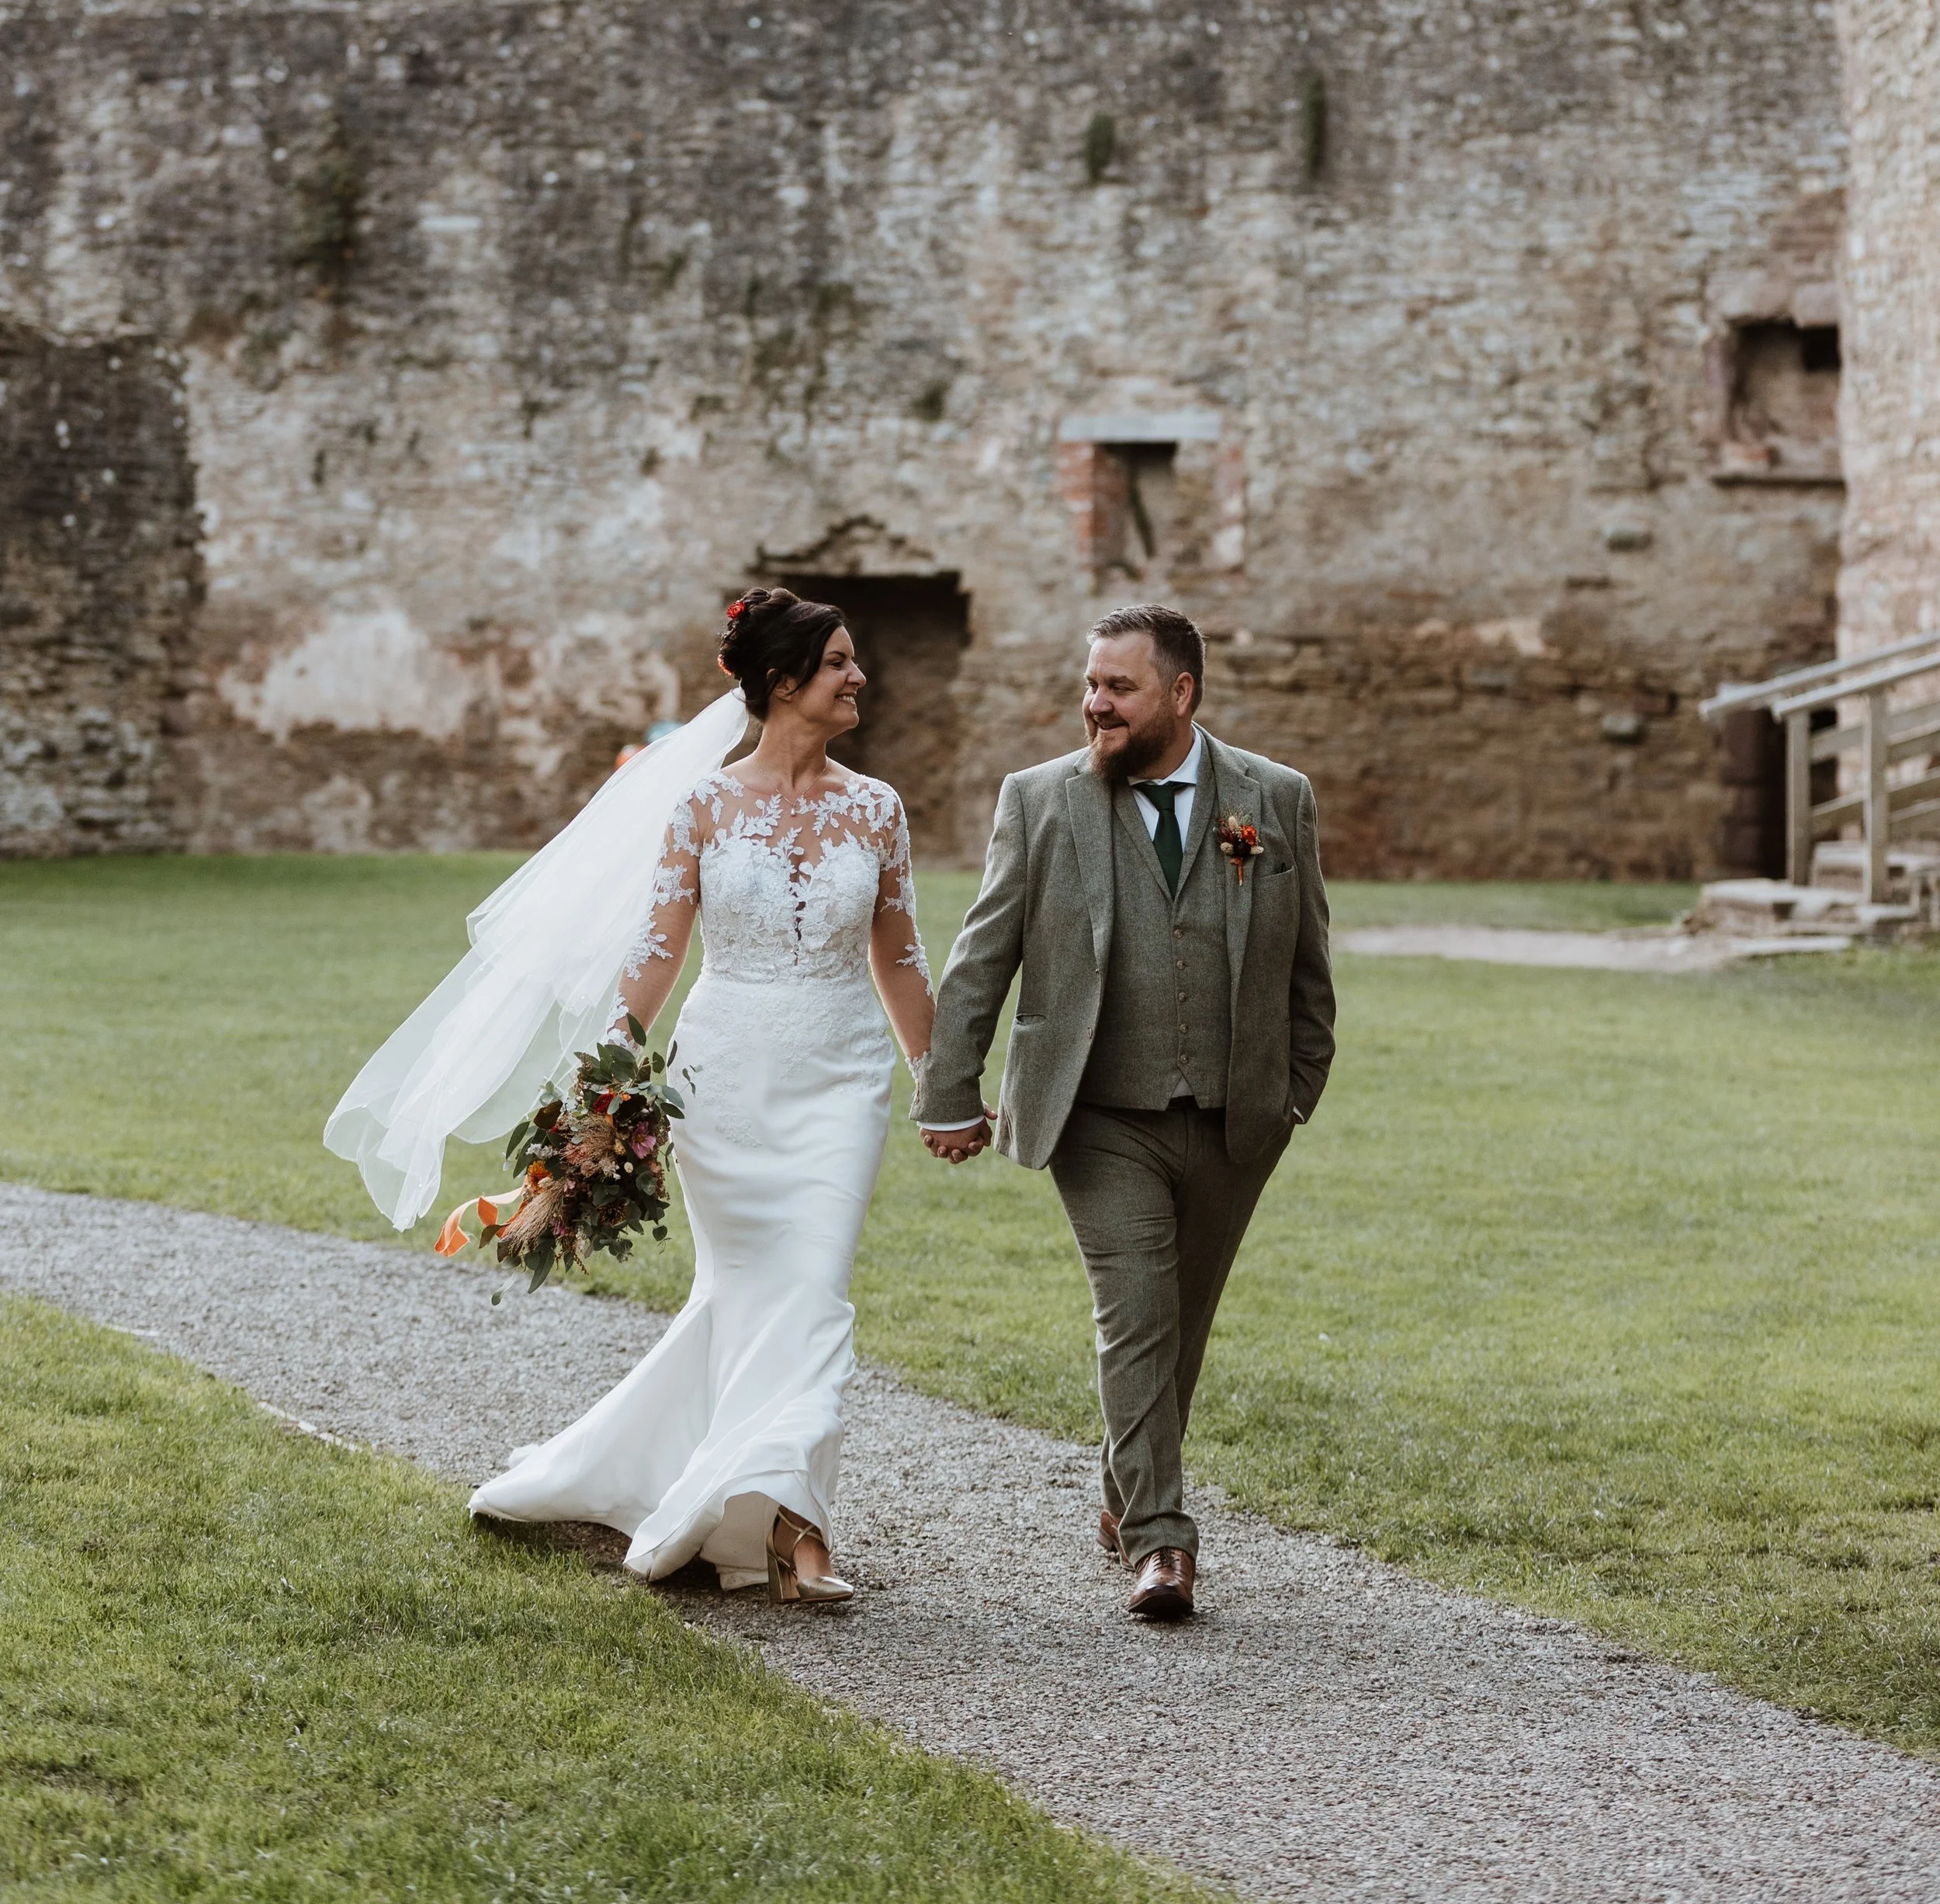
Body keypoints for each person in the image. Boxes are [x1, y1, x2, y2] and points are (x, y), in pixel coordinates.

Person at [327, 588, 935, 1604]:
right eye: (838, 662)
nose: (859, 676)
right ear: (784, 682)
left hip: (841, 1080)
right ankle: (749, 1509)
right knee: (749, 1293)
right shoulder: (700, 805)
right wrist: (604, 1081)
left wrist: (943, 1084)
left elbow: (903, 958)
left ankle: (796, 1532)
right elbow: (656, 958)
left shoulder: (877, 809)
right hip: (722, 1080)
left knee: (815, 1288)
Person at [911, 602, 1335, 1621]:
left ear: (1180, 695)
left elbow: (1308, 955)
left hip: (1238, 1114)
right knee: (1136, 1314)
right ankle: (1161, 1543)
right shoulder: (1043, 800)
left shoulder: (1273, 799)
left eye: (1119, 686)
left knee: (1181, 1330)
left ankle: (1124, 1489)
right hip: (1096, 1114)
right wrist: (949, 1087)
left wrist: (1298, 1085)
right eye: (1091, 682)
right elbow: (983, 951)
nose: (1095, 701)